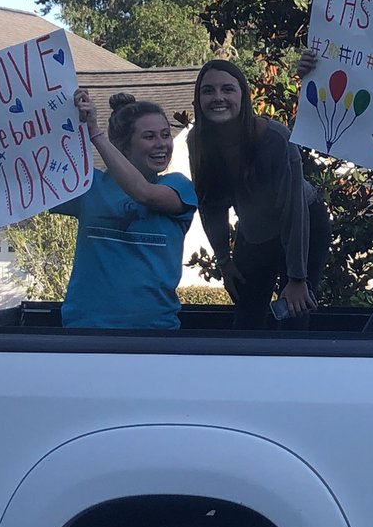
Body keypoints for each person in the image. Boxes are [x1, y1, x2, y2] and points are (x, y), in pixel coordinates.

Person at [188, 60, 332, 329]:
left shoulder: (276, 138)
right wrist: (223, 260)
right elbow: (210, 204)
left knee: (295, 313)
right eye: (208, 91)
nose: (218, 97)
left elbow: (294, 209)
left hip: (304, 223)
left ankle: (294, 367)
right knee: (246, 315)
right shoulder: (197, 140)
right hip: (254, 229)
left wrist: (297, 277)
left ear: (243, 95)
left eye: (227, 89)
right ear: (198, 98)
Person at [54, 90, 198, 329]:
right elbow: (26, 183)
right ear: (122, 145)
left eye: (165, 135)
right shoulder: (88, 185)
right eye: (149, 137)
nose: (162, 144)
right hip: (85, 329)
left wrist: (96, 135)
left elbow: (143, 193)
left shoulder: (178, 186)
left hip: (154, 332)